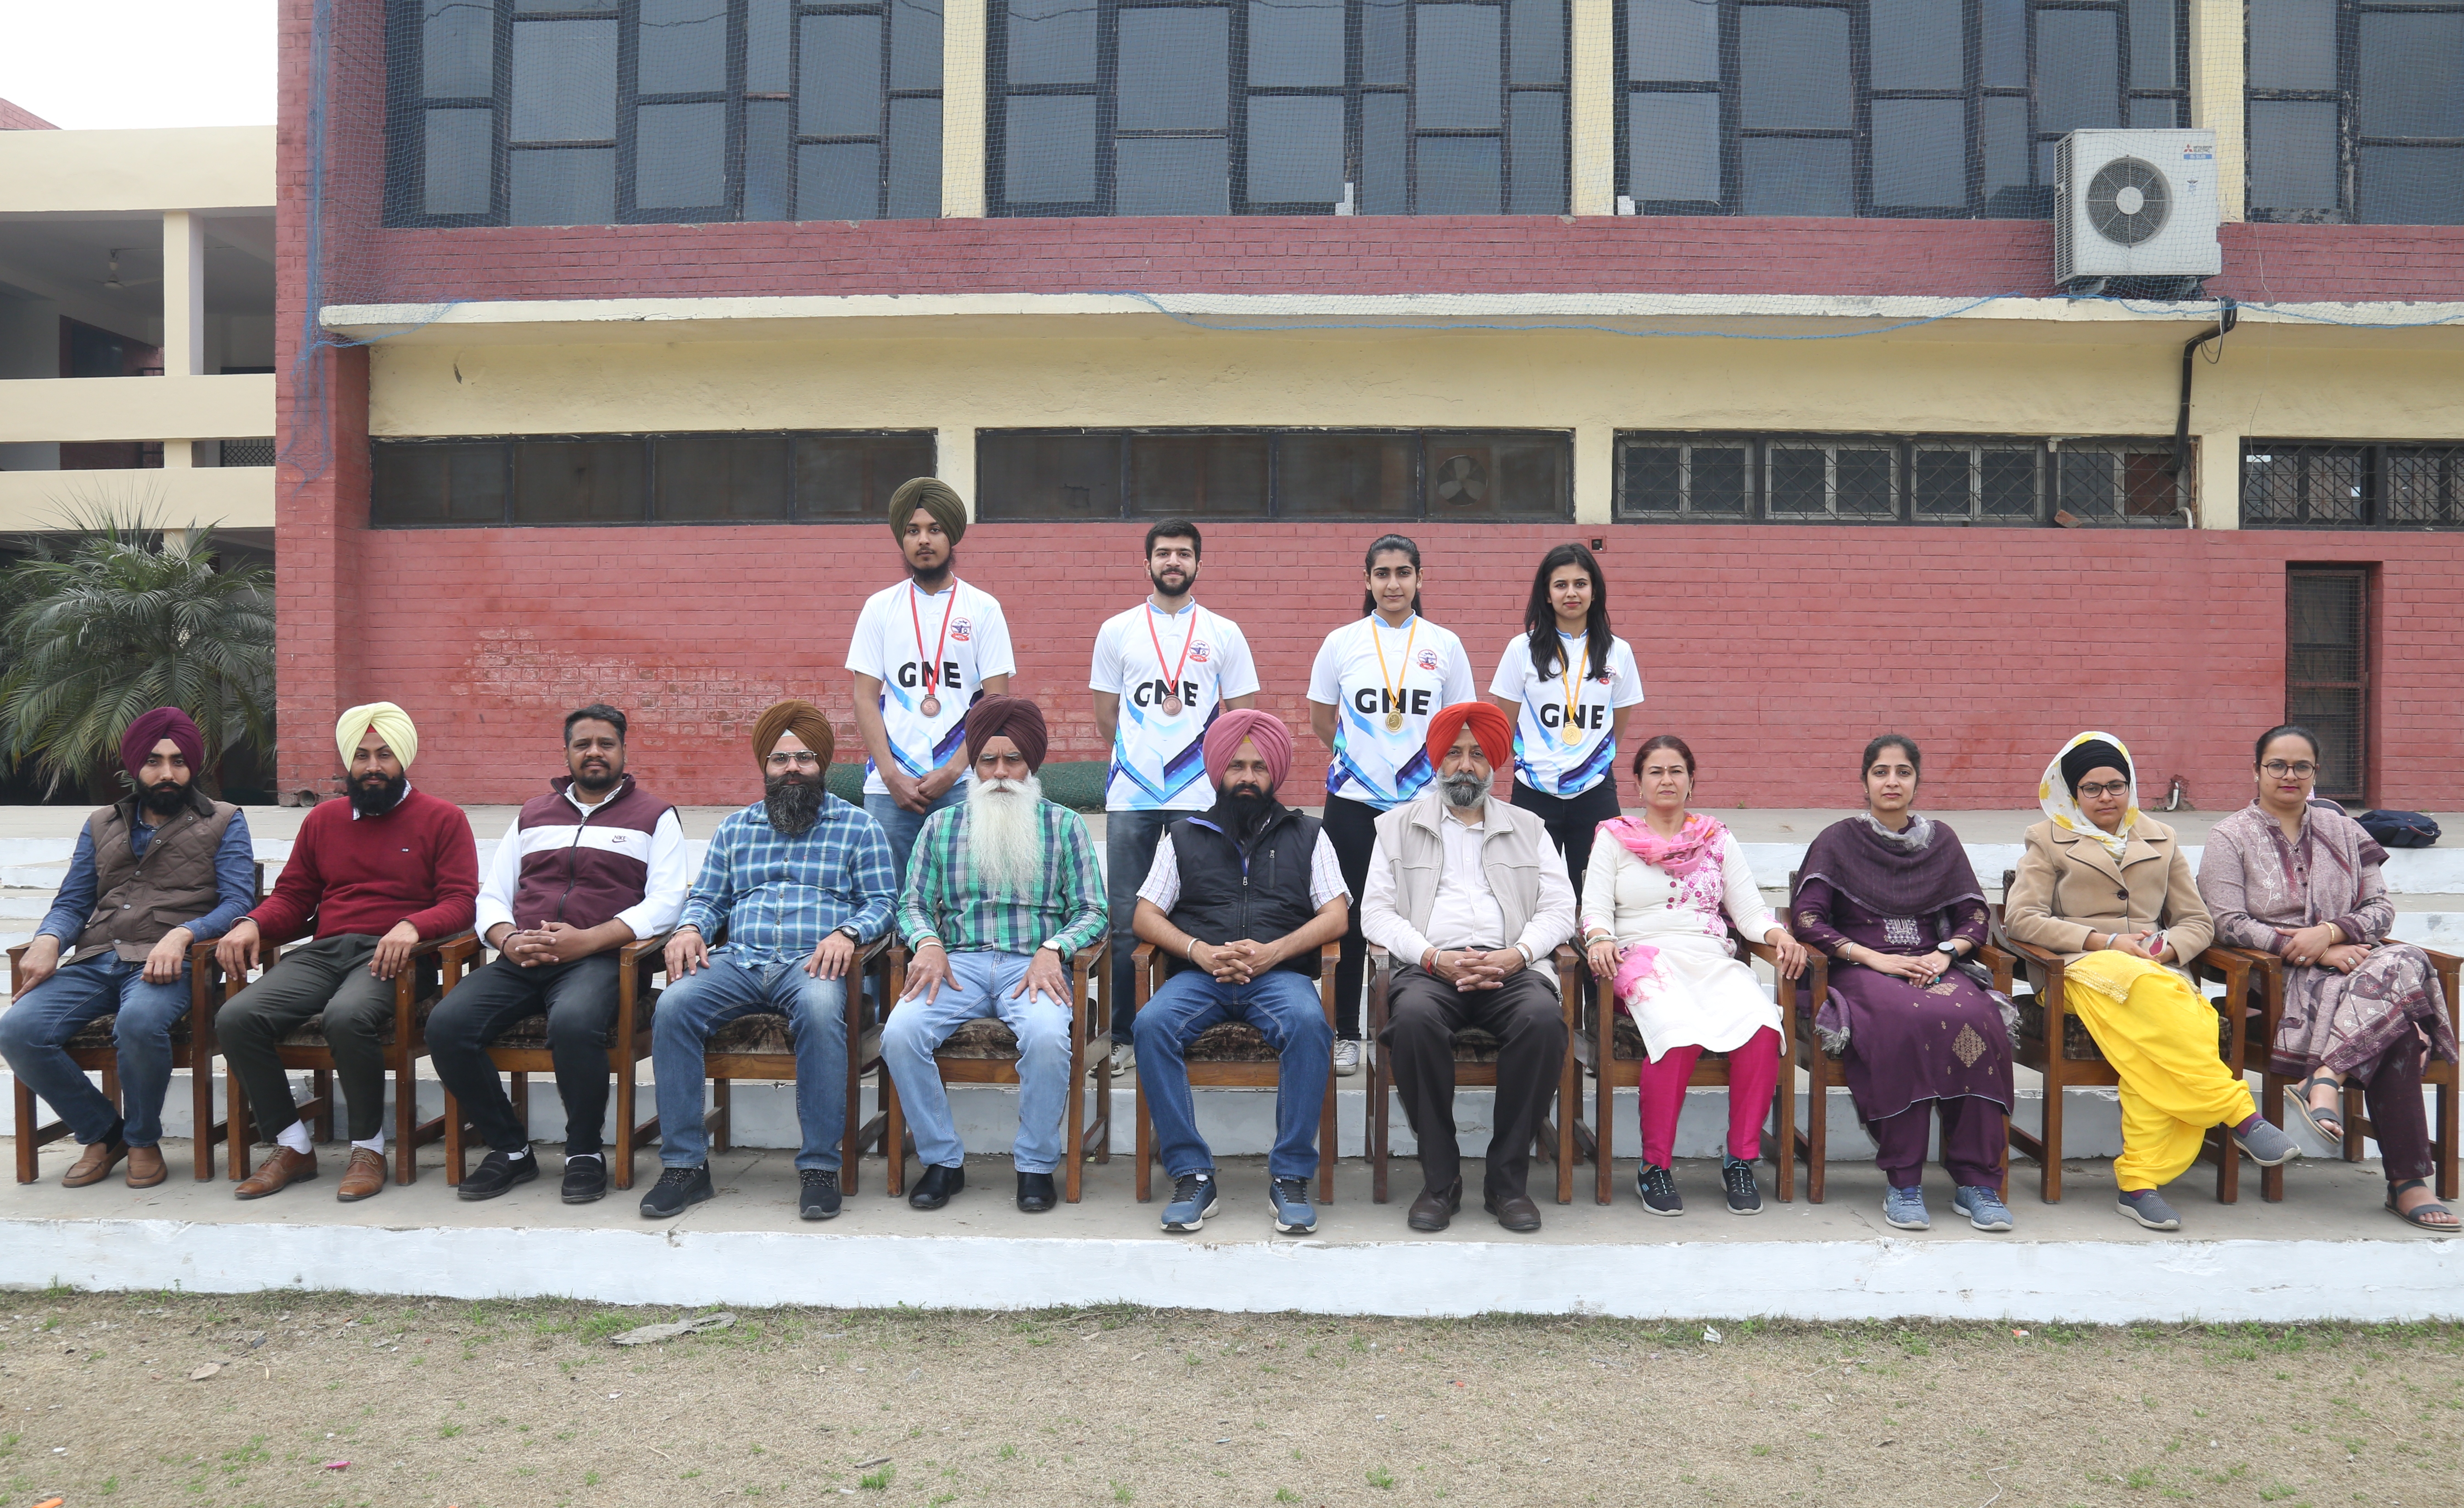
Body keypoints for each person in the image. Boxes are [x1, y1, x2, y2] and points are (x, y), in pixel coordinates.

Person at [2004, 731, 2301, 1232]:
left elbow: (2197, 921)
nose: (2106, 798)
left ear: (2131, 786)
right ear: (2073, 793)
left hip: (2156, 972)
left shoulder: (2162, 838)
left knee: (2162, 1042)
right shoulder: (2047, 837)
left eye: (2116, 785)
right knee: (2167, 1005)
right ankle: (2240, 1115)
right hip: (2080, 971)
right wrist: (2103, 941)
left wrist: (2164, 949)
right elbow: (2022, 920)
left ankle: (2138, 1184)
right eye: (2092, 788)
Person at [638, 701, 898, 1221]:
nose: (792, 769)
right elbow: (709, 899)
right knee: (673, 1006)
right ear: (765, 767)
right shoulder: (736, 829)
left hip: (812, 965)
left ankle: (820, 1168)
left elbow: (884, 904)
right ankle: (686, 1168)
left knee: (824, 1012)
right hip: (739, 961)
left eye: (804, 758)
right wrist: (690, 927)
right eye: (781, 760)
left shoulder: (859, 828)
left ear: (822, 764)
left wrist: (850, 932)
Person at [427, 704, 691, 1206]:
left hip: (599, 959)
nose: (594, 753)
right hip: (521, 957)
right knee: (446, 1024)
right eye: (583, 744)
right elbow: (492, 896)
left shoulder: (655, 817)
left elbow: (666, 903)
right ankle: (510, 1149)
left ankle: (584, 1152)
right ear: (568, 752)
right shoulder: (532, 814)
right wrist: (506, 938)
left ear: (623, 751)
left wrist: (588, 940)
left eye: (605, 744)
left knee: (572, 1023)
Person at [2197, 724, 2458, 1231]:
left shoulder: (2345, 830)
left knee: (2403, 964)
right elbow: (2225, 921)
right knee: (2400, 1019)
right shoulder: (2230, 836)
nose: (2289, 775)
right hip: (2278, 982)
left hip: (2356, 963)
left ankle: (2325, 1077)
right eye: (2277, 765)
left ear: (2316, 773)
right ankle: (2409, 1184)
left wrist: (2333, 931)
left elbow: (2381, 909)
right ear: (2256, 771)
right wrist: (2311, 947)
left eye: (2302, 766)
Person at [214, 704, 478, 1202]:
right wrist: (252, 922)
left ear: (404, 759)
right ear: (347, 761)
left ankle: (367, 1148)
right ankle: (293, 1145)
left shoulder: (444, 818)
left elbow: (462, 902)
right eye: (361, 755)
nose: (372, 766)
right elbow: (293, 898)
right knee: (237, 1016)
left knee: (347, 1015)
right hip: (328, 950)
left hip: (399, 958)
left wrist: (412, 926)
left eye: (384, 755)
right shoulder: (324, 820)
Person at [0, 709, 253, 1189]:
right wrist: (50, 937)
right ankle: (103, 1131)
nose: (166, 773)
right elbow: (74, 899)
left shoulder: (224, 820)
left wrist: (185, 934)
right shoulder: (101, 823)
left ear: (191, 766)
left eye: (178, 762)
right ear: (135, 766)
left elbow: (239, 901)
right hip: (98, 958)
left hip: (172, 963)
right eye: (155, 761)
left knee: (139, 1023)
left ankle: (141, 1140)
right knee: (17, 1030)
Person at [886, 696, 1109, 1214]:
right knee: (900, 1033)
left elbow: (1094, 911)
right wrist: (929, 943)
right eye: (989, 760)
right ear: (975, 764)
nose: (1001, 772)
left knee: (1050, 1037)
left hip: (1032, 965)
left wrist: (1056, 948)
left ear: (1032, 762)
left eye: (1013, 760)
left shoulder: (1065, 826)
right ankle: (943, 1160)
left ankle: (1035, 1166)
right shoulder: (941, 827)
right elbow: (913, 902)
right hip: (955, 963)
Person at [1360, 702, 1575, 1234]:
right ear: (1437, 760)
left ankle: (1507, 1183)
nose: (1465, 765)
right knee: (1410, 1023)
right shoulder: (1395, 828)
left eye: (1478, 754)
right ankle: (1441, 1182)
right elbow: (1375, 912)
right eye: (1453, 753)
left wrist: (1516, 955)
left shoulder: (1530, 827)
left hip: (1512, 968)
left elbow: (1559, 908)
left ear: (1494, 764)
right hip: (1431, 967)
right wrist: (1434, 956)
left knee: (1544, 1022)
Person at [1789, 735, 2017, 1234]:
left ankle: (1977, 1181)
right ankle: (1904, 1181)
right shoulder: (1838, 841)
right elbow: (1808, 919)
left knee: (1979, 1019)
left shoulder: (1942, 841)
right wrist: (1877, 959)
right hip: (1863, 968)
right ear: (1865, 779)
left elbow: (1974, 915)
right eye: (1881, 771)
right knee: (1905, 1023)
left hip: (1934, 965)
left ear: (1917, 780)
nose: (1892, 781)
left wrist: (1945, 953)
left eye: (1903, 772)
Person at [1131, 710, 1346, 1235]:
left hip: (1278, 977)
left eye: (1258, 767)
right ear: (1217, 772)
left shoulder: (1309, 834)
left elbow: (1337, 914)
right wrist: (1198, 950)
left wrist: (1274, 952)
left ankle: (1291, 1175)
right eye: (1236, 766)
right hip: (1201, 977)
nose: (1247, 777)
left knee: (1310, 1025)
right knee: (1151, 1025)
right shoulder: (1182, 835)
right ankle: (1191, 1172)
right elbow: (1144, 915)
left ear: (1275, 774)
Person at [1578, 736, 1805, 1217]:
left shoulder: (1717, 838)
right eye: (1656, 771)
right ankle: (1654, 1167)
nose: (1666, 780)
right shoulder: (1613, 838)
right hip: (1642, 960)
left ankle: (1741, 1158)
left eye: (1676, 770)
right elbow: (1595, 909)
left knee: (1764, 1029)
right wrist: (1599, 938)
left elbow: (1748, 911)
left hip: (1709, 959)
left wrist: (1777, 935)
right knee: (1676, 1035)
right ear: (1637, 784)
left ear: (1691, 781)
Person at [1090, 518, 1260, 1076]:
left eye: (1184, 554)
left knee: (1200, 911)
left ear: (1198, 565)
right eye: (1163, 553)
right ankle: (1123, 1034)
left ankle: (1190, 1024)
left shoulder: (1224, 631)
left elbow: (1243, 719)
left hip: (1200, 796)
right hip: (1132, 796)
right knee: (1124, 919)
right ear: (1147, 563)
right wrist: (1143, 763)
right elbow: (1105, 717)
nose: (1173, 562)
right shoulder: (1116, 630)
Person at [1307, 535, 1475, 1079]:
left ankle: (1414, 1025)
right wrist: (1364, 761)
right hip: (1354, 801)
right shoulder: (1342, 642)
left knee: (1423, 911)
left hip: (1425, 803)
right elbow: (1321, 719)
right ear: (1367, 581)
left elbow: (1459, 724)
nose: (1393, 583)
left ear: (1420, 579)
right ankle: (1346, 1032)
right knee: (1351, 917)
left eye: (1404, 572)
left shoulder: (1445, 644)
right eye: (1382, 573)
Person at [847, 477, 1015, 881]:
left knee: (968, 895)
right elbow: (864, 698)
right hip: (892, 786)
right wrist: (890, 775)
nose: (924, 540)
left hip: (966, 782)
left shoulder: (984, 608)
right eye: (913, 531)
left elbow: (996, 704)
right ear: (902, 539)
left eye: (935, 529)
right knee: (891, 900)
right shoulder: (879, 608)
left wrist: (954, 771)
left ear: (951, 537)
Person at [1489, 543, 1645, 905]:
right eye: (1561, 585)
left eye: (1581, 583)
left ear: (1595, 590)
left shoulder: (1617, 652)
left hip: (1595, 791)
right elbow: (1505, 722)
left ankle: (1595, 963)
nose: (1571, 593)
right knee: (1527, 895)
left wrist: (1590, 762)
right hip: (1533, 789)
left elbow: (1617, 724)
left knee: (1599, 895)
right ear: (1547, 593)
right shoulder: (1520, 650)